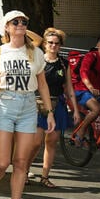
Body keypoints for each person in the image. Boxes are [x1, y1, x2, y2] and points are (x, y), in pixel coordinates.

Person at [0, 11, 57, 199]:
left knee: (22, 162)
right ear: (6, 27)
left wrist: (49, 112)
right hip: (4, 103)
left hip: (28, 105)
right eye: (15, 22)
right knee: (2, 161)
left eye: (24, 21)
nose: (21, 25)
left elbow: (42, 84)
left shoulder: (36, 53)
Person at [28, 27, 81, 190]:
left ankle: (45, 177)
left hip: (57, 104)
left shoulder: (64, 64)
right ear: (44, 44)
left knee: (51, 142)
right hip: (37, 103)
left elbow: (69, 88)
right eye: (50, 43)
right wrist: (18, 26)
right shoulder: (37, 60)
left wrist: (76, 110)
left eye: (57, 44)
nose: (53, 46)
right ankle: (24, 170)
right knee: (35, 143)